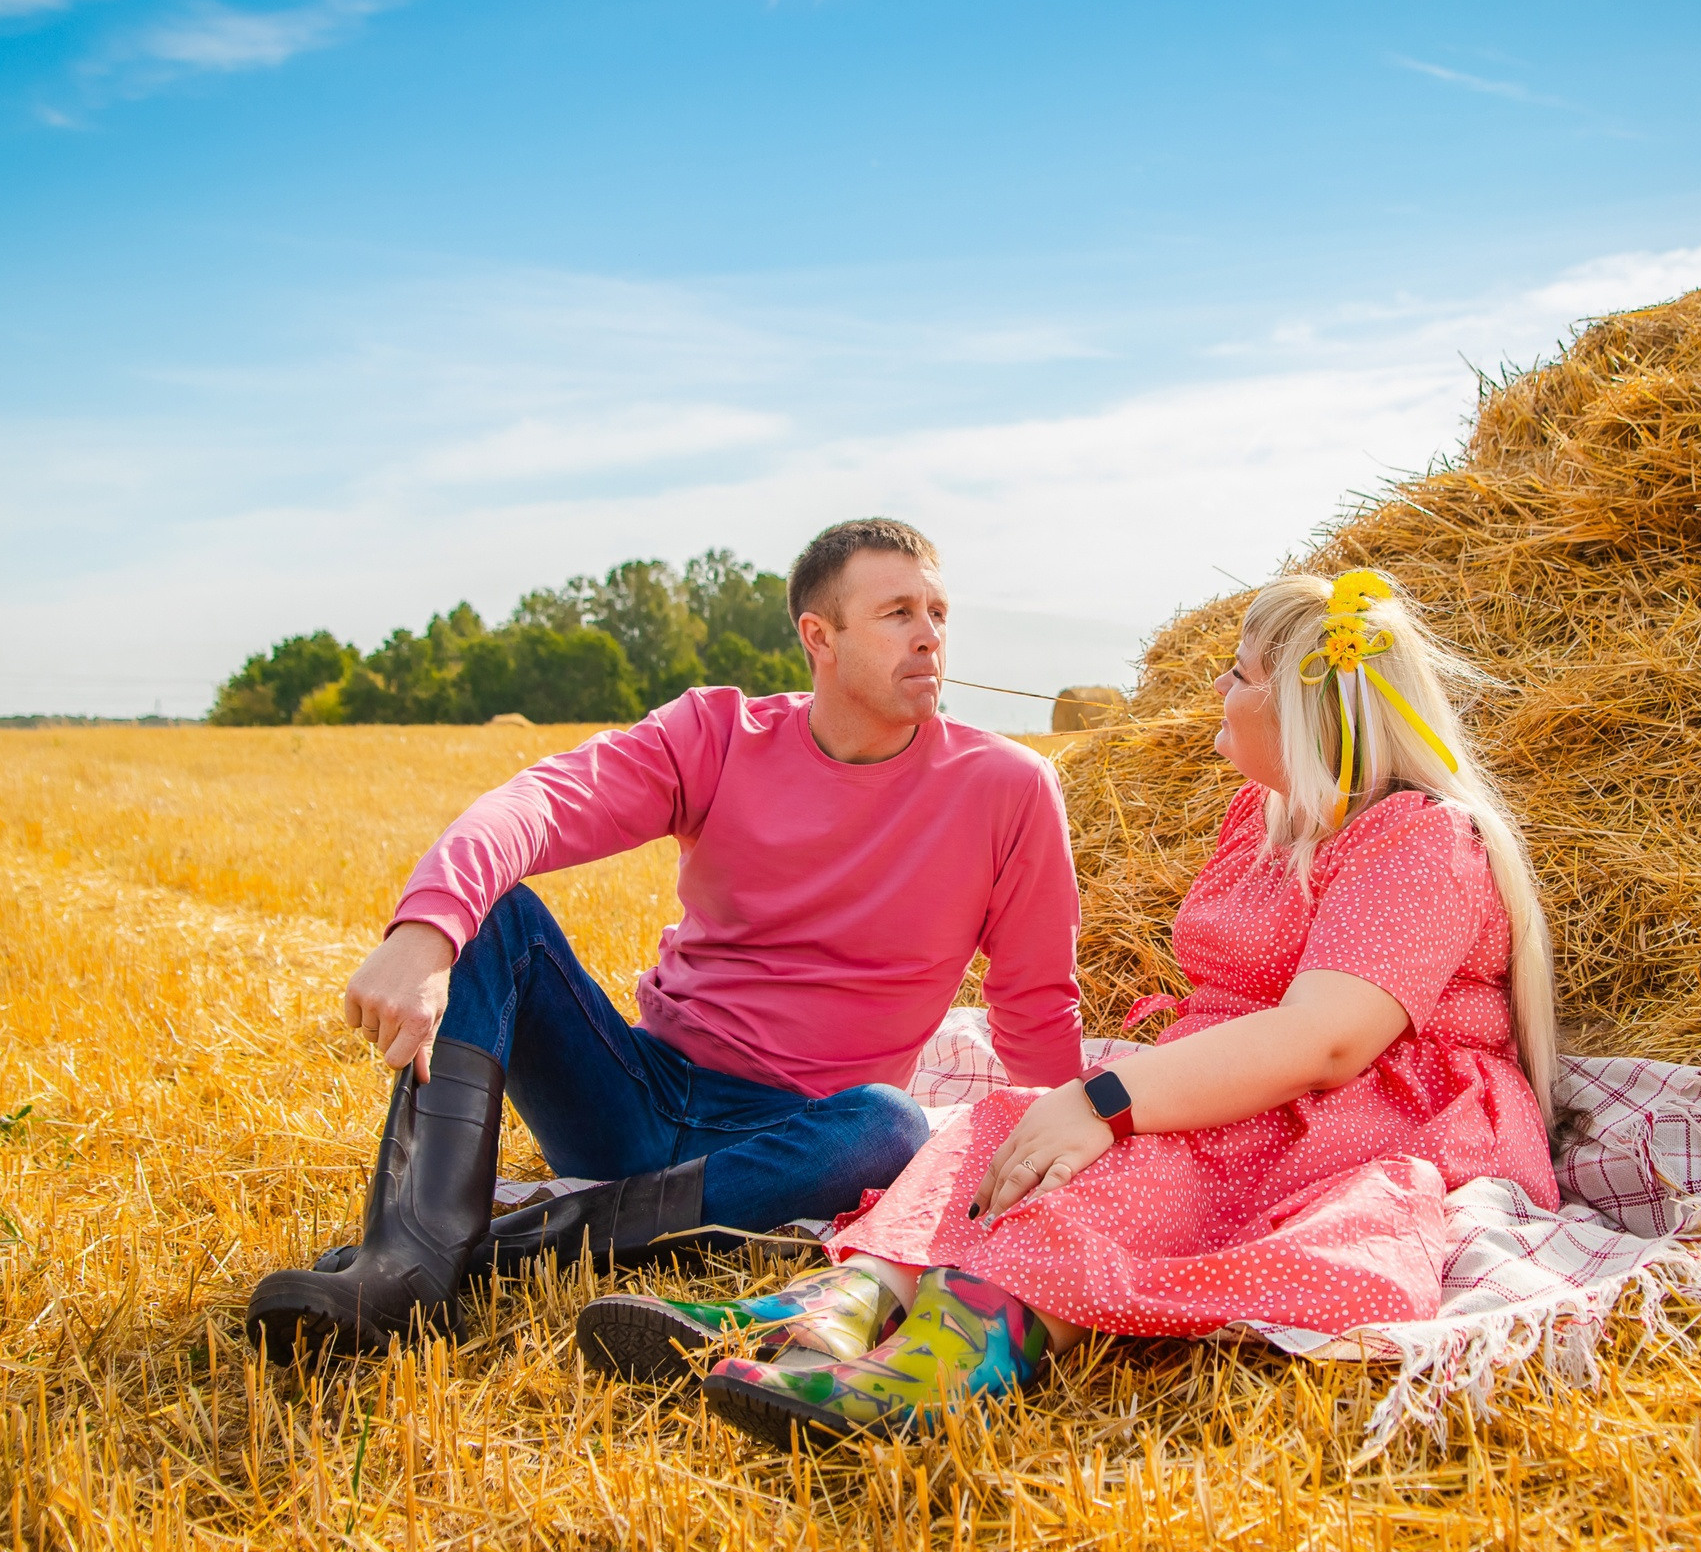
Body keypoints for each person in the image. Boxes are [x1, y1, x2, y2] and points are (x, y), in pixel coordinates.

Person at [582, 569, 1562, 1445]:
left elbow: (1327, 1040)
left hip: (1362, 1104)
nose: (1217, 685)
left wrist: (1105, 1099)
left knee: (1118, 1161)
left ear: (1307, 708)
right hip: (1252, 1079)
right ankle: (830, 1308)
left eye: (1240, 671)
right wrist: (1084, 1099)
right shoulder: (1267, 821)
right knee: (1000, 1125)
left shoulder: (1422, 839)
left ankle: (938, 1368)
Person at [246, 518, 1084, 1360]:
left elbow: (1036, 1006)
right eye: (898, 612)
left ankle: (511, 1250)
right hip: (635, 1096)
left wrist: (1065, 1156)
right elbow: (542, 802)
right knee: (498, 916)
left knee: (892, 1127)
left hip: (798, 1136)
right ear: (819, 637)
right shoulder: (718, 736)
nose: (930, 634)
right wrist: (428, 928)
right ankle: (407, 1263)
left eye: (938, 612)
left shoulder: (1009, 789)